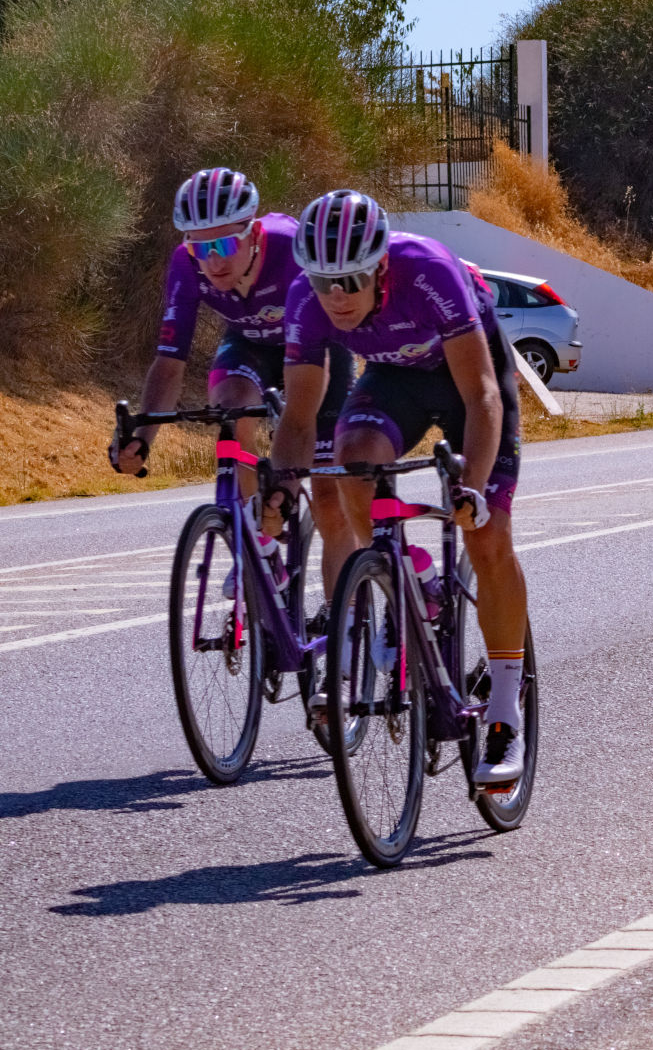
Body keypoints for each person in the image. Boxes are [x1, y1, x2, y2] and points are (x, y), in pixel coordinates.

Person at [267, 190, 532, 785]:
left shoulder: (428, 271)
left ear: (381, 265)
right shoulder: (306, 304)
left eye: (352, 280)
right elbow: (301, 420)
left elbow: (482, 395)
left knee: (488, 537)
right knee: (353, 457)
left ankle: (504, 711)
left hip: (469, 380)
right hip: (393, 379)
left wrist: (472, 487)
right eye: (322, 280)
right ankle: (412, 576)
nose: (336, 296)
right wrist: (279, 489)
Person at [114, 169, 357, 603]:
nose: (213, 261)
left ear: (255, 232)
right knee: (229, 411)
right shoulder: (186, 266)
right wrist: (142, 436)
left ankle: (346, 630)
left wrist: (291, 464)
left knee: (327, 497)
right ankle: (261, 551)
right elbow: (170, 363)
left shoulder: (291, 250)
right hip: (248, 342)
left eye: (225, 244)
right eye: (199, 246)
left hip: (316, 348)